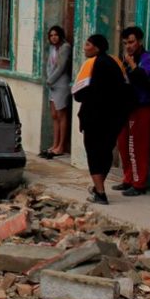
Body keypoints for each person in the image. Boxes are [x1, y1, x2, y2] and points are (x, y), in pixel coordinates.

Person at [72, 34, 130, 205]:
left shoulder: (90, 63)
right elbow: (126, 87)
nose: (85, 47)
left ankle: (100, 193)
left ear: (96, 48)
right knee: (106, 152)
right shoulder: (116, 62)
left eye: (88, 44)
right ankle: (99, 187)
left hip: (94, 117)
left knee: (93, 153)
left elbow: (78, 93)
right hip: (115, 118)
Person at [113, 26, 150, 197]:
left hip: (142, 106)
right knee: (124, 145)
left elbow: (145, 78)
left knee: (137, 146)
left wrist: (132, 65)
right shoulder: (124, 60)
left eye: (131, 42)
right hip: (126, 106)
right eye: (125, 43)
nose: (128, 46)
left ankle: (139, 183)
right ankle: (128, 178)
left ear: (139, 41)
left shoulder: (148, 58)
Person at [41, 25, 72, 159]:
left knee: (61, 114)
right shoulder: (52, 48)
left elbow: (61, 66)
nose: (53, 37)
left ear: (60, 35)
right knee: (54, 115)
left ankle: (61, 146)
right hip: (51, 84)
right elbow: (49, 65)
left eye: (56, 35)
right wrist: (48, 79)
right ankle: (54, 144)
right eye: (51, 35)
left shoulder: (65, 47)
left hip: (61, 84)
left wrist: (50, 80)